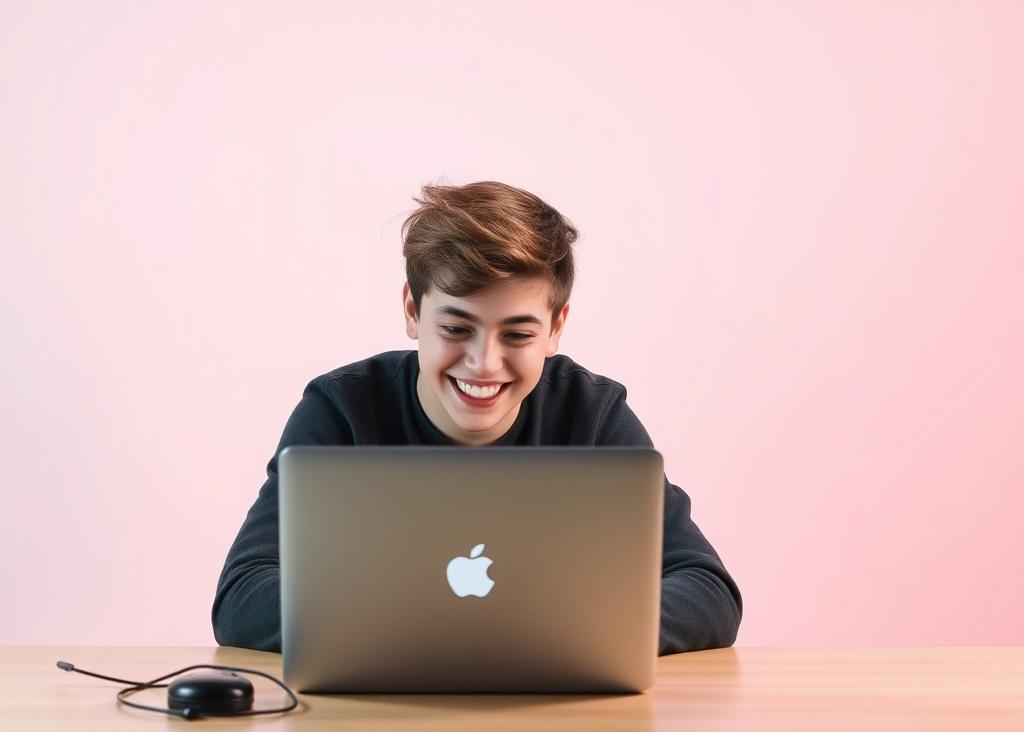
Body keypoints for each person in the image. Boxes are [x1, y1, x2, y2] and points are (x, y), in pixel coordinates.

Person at [212, 180, 742, 654]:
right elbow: (243, 596)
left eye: (518, 334)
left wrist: (562, 630)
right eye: (457, 328)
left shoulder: (593, 413)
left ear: (557, 327)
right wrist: (438, 625)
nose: (484, 363)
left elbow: (707, 589)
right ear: (412, 312)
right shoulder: (341, 409)